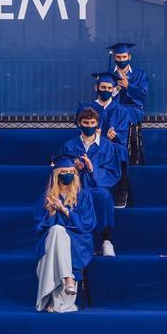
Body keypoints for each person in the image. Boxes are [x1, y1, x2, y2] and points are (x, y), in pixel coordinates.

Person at [34, 155, 96, 313]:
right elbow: (39, 228)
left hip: (78, 241)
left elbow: (87, 225)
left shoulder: (83, 196)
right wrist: (51, 213)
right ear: (56, 174)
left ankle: (50, 299)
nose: (68, 175)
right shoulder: (46, 198)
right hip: (52, 241)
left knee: (58, 231)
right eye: (64, 171)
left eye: (71, 172)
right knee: (56, 230)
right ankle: (68, 279)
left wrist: (65, 210)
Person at [61, 107, 123, 257]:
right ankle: (77, 242)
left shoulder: (107, 146)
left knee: (104, 196)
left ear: (97, 124)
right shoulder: (69, 145)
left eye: (92, 122)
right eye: (85, 122)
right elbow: (60, 171)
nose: (89, 126)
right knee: (72, 198)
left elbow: (113, 172)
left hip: (97, 187)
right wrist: (73, 169)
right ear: (79, 123)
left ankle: (106, 240)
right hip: (75, 187)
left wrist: (91, 169)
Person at [83, 72, 141, 159]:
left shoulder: (121, 110)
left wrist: (115, 135)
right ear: (96, 88)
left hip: (112, 149)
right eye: (103, 87)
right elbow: (81, 131)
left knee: (119, 151)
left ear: (113, 90)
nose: (106, 90)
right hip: (90, 147)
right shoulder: (86, 108)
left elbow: (123, 136)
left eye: (109, 88)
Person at [109, 42, 150, 110]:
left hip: (134, 109)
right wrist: (117, 89)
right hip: (114, 109)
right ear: (114, 58)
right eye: (118, 57)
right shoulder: (109, 75)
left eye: (124, 57)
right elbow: (104, 97)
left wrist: (128, 86)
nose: (122, 60)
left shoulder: (140, 74)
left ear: (129, 57)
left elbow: (142, 95)